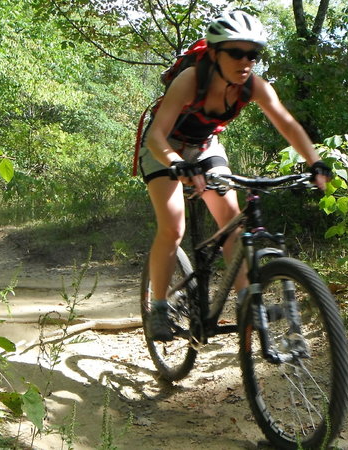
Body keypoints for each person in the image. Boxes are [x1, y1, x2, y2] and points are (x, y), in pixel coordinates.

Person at [137, 10, 331, 341]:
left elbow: (286, 123)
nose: (246, 62)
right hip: (163, 146)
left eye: (252, 54)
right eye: (236, 53)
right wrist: (176, 162)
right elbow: (156, 136)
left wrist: (315, 162)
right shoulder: (191, 80)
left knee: (231, 222)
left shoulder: (253, 86)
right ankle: (159, 308)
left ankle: (246, 303)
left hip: (204, 145)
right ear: (214, 53)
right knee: (173, 226)